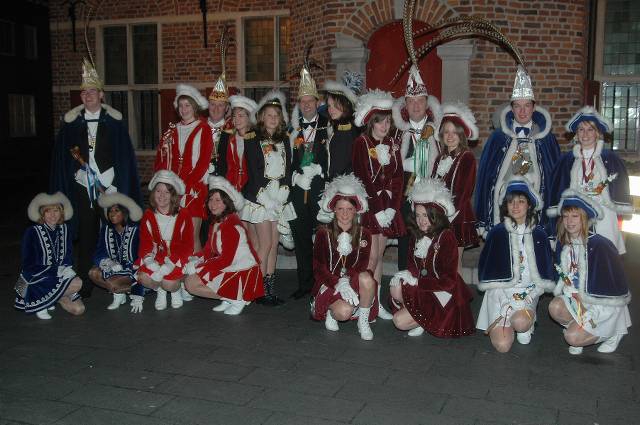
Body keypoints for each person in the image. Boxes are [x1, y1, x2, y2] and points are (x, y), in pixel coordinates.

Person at [50, 58, 141, 299]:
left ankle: (125, 279)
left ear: (101, 94)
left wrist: (114, 182)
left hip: (109, 187)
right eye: (84, 92)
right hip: (83, 188)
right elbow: (63, 157)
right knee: (87, 232)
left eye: (92, 91)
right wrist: (77, 172)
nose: (88, 95)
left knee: (117, 230)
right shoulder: (71, 124)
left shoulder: (114, 122)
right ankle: (85, 284)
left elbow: (124, 156)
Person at [475, 65, 560, 236]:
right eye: (517, 106)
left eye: (527, 106)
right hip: (504, 206)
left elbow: (556, 179)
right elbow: (484, 177)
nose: (522, 111)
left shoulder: (547, 139)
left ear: (534, 108)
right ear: (511, 108)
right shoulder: (497, 138)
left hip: (535, 208)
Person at [547, 189, 631, 354]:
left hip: (603, 306)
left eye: (575, 216)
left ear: (584, 218)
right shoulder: (564, 243)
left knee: (572, 338)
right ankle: (581, 328)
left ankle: (613, 333)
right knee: (555, 307)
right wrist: (570, 292)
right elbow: (565, 276)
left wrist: (591, 311)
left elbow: (613, 290)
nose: (569, 221)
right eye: (565, 216)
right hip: (579, 299)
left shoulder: (600, 245)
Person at [476, 178, 555, 353]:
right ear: (506, 205)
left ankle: (524, 323)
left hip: (527, 294)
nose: (515, 206)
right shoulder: (496, 233)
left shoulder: (540, 235)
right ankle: (507, 320)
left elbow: (544, 277)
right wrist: (506, 302)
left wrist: (528, 297)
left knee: (520, 324)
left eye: (521, 201)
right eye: (511, 202)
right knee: (502, 346)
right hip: (500, 295)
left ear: (529, 205)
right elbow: (489, 275)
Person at [389, 179, 475, 338]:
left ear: (435, 215)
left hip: (443, 294)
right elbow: (412, 265)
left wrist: (417, 282)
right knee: (395, 288)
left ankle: (424, 321)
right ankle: (421, 318)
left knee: (399, 321)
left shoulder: (446, 237)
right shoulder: (416, 234)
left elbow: (449, 281)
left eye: (426, 215)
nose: (421, 220)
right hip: (424, 289)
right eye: (418, 215)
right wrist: (405, 275)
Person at [549, 106, 632, 254]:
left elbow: (620, 187)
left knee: (604, 254)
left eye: (590, 129)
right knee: (576, 256)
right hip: (576, 215)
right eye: (581, 129)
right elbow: (557, 189)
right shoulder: (566, 160)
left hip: (604, 215)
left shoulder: (610, 158)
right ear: (576, 134)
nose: (585, 134)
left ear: (597, 133)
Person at [352, 89, 405, 320]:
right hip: (371, 208)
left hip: (388, 207)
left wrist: (393, 207)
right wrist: (377, 210)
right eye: (380, 121)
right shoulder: (361, 143)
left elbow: (398, 177)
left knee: (380, 256)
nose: (385, 126)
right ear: (371, 122)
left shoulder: (393, 143)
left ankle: (376, 302)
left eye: (388, 121)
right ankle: (365, 303)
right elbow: (363, 178)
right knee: (370, 257)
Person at [241, 90, 296, 306]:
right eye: (269, 115)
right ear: (262, 117)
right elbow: (254, 172)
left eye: (276, 115)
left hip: (278, 196)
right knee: (264, 245)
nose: (273, 118)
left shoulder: (285, 139)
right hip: (260, 198)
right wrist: (266, 199)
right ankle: (255, 288)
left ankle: (268, 290)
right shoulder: (252, 138)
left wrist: (283, 193)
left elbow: (288, 169)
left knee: (274, 244)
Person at [183, 176, 264, 315]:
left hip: (241, 271)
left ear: (227, 203)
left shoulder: (231, 225)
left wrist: (198, 267)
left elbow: (227, 260)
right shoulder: (217, 221)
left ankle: (237, 298)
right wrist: (195, 259)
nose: (212, 204)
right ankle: (228, 298)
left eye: (218, 200)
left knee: (191, 284)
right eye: (211, 199)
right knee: (190, 281)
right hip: (230, 266)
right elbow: (209, 249)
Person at [311, 174, 377, 340]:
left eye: (349, 209)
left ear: (355, 210)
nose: (345, 214)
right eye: (341, 209)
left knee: (367, 278)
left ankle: (363, 321)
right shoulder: (323, 233)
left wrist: (346, 280)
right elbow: (318, 269)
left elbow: (362, 264)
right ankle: (331, 311)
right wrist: (337, 282)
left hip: (351, 279)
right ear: (334, 209)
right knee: (344, 313)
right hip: (330, 283)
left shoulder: (364, 233)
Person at [392, 64, 442, 273]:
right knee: (406, 238)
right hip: (405, 194)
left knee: (429, 238)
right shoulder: (397, 132)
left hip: (429, 194)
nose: (415, 105)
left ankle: (428, 279)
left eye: (420, 100)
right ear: (405, 105)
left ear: (426, 103)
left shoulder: (437, 131)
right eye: (411, 101)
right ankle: (403, 279)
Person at [155, 84, 213, 254]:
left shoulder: (203, 128)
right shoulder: (171, 131)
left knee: (191, 235)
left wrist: (185, 185)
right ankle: (178, 267)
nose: (184, 109)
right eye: (181, 105)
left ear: (194, 107)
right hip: (172, 189)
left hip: (193, 188)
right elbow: (161, 160)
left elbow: (203, 162)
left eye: (187, 105)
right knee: (174, 235)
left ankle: (195, 269)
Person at [288, 64, 329, 300]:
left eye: (310, 101)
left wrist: (321, 170)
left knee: (323, 239)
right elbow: (284, 161)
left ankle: (323, 284)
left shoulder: (328, 126)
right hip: (298, 191)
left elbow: (335, 157)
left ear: (317, 102)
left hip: (320, 191)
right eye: (302, 102)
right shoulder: (291, 129)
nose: (306, 105)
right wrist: (295, 176)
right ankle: (304, 284)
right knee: (301, 238)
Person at [15, 192, 85, 319]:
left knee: (79, 308)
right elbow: (27, 265)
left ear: (61, 213)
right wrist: (56, 270)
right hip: (35, 278)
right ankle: (43, 303)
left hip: (57, 278)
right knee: (75, 284)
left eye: (56, 210)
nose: (52, 215)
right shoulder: (32, 232)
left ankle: (53, 298)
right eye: (48, 211)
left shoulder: (65, 229)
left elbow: (68, 255)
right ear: (42, 214)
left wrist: (66, 268)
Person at [431, 103, 480, 272]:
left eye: (454, 132)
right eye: (446, 132)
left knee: (454, 263)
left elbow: (464, 192)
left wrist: (448, 216)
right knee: (440, 262)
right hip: (439, 216)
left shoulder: (467, 157)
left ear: (461, 135)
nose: (450, 136)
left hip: (457, 217)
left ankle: (456, 290)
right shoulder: (440, 158)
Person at [136, 170, 194, 311]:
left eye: (167, 192)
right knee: (143, 277)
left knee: (169, 284)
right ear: (153, 193)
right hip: (157, 256)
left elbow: (187, 245)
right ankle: (160, 291)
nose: (161, 195)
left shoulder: (184, 214)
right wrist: (150, 262)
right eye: (158, 191)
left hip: (177, 257)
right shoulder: (148, 215)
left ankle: (175, 290)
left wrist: (170, 264)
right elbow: (145, 242)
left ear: (173, 195)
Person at [89, 193, 145, 312]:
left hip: (133, 269)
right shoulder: (106, 229)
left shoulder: (136, 229)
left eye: (116, 210)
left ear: (124, 212)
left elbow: (142, 254)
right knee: (93, 273)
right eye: (110, 211)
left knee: (113, 283)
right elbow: (99, 251)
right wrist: (109, 262)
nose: (112, 213)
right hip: (114, 267)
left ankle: (121, 292)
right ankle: (120, 294)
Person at [323, 71, 362, 180]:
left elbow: (339, 168)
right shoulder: (341, 126)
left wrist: (329, 182)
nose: (331, 109)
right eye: (329, 105)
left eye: (335, 105)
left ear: (345, 105)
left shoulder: (345, 131)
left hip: (341, 184)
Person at [215, 94, 257, 191]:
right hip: (229, 188)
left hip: (251, 190)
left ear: (249, 118)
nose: (236, 119)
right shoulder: (226, 138)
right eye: (234, 116)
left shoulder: (256, 139)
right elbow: (221, 165)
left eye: (240, 116)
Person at [207, 67, 232, 177]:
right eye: (213, 104)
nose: (216, 109)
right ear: (208, 106)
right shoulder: (198, 127)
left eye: (220, 105)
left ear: (226, 108)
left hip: (224, 181)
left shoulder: (232, 130)